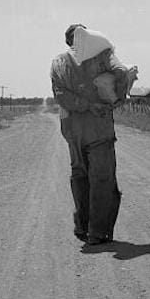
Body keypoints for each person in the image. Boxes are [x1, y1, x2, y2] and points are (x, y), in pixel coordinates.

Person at [50, 24, 129, 245]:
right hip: (99, 128)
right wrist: (115, 98)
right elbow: (122, 73)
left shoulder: (58, 63)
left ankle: (82, 226)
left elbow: (60, 95)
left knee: (79, 175)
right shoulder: (103, 56)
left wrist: (83, 104)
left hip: (73, 131)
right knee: (102, 178)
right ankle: (98, 232)